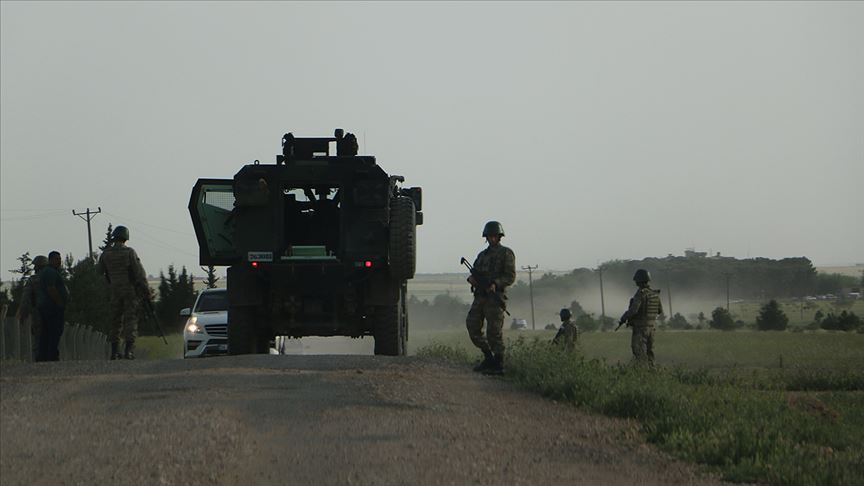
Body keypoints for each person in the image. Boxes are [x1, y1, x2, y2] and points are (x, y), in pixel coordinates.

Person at [465, 221, 516, 375]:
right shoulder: (482, 255)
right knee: (472, 326)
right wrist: (472, 279)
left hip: (495, 297)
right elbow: (475, 273)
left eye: (495, 236)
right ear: (486, 237)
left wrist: (495, 283)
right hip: (480, 296)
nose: (492, 238)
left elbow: (510, 276)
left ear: (499, 237)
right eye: (490, 236)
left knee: (494, 332)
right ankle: (488, 357)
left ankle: (499, 364)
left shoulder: (506, 253)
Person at [97, 225, 149, 360]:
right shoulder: (129, 252)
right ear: (126, 237)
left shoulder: (106, 254)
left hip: (114, 290)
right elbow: (139, 272)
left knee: (115, 320)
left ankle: (114, 351)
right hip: (129, 290)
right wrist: (145, 288)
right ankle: (128, 351)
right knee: (130, 319)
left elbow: (99, 272)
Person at [618, 269, 663, 366]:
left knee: (639, 352)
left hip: (641, 328)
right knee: (650, 353)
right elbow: (659, 310)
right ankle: (653, 371)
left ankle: (642, 373)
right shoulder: (654, 294)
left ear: (639, 280)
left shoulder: (640, 294)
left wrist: (624, 317)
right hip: (651, 328)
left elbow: (633, 311)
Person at [35, 251, 67, 361]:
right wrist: (59, 303)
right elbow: (51, 288)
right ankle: (51, 355)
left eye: (60, 259)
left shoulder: (48, 271)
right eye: (57, 259)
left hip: (46, 307)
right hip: (52, 307)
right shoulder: (50, 272)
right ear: (51, 260)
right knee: (54, 331)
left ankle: (43, 356)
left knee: (46, 332)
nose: (59, 261)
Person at [16, 255, 48, 360]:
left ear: (39, 267)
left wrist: (22, 315)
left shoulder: (33, 280)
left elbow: (25, 299)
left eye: (35, 266)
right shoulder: (54, 277)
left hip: (38, 314)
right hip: (54, 314)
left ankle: (40, 366)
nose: (34, 268)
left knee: (38, 341)